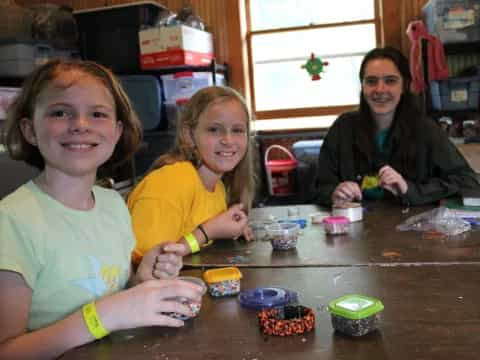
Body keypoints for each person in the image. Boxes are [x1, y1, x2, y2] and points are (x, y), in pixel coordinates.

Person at [0, 59, 204, 359]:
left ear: (117, 130)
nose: (81, 125)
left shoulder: (112, 204)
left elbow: (111, 293)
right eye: (60, 112)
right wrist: (101, 316)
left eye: (97, 114)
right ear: (29, 129)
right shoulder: (11, 221)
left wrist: (141, 280)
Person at [314, 46, 480, 207]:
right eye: (371, 81)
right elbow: (319, 187)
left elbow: (468, 181)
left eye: (390, 81)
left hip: (412, 225)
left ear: (404, 86)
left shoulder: (425, 130)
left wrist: (410, 189)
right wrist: (334, 193)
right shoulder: (343, 127)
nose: (380, 89)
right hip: (353, 226)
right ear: (363, 87)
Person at [127, 86, 255, 263]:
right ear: (189, 135)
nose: (228, 140)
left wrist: (231, 228)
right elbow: (149, 264)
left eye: (237, 130)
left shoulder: (217, 188)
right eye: (214, 129)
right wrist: (207, 232)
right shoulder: (170, 182)